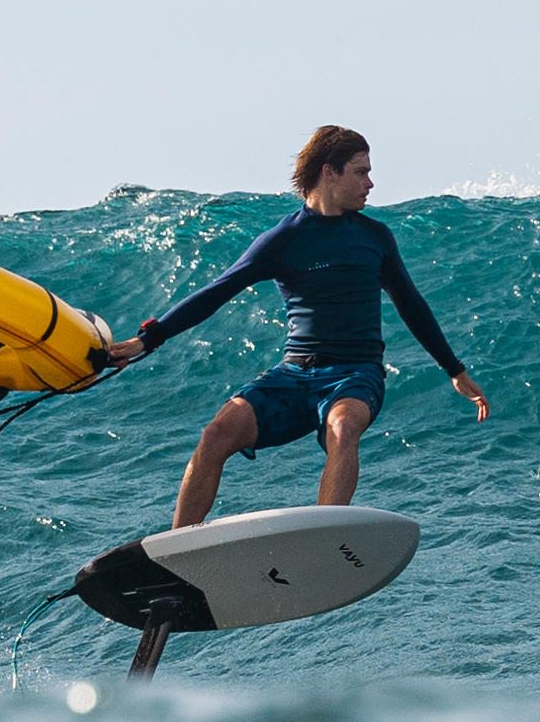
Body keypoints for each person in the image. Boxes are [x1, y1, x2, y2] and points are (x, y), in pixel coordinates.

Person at [108, 126, 489, 526]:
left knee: (343, 428)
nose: (370, 183)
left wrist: (454, 369)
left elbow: (411, 305)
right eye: (360, 172)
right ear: (329, 172)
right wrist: (148, 339)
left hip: (355, 373)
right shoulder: (284, 239)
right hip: (294, 374)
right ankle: (178, 546)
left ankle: (323, 538)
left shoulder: (374, 237)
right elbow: (217, 292)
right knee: (217, 433)